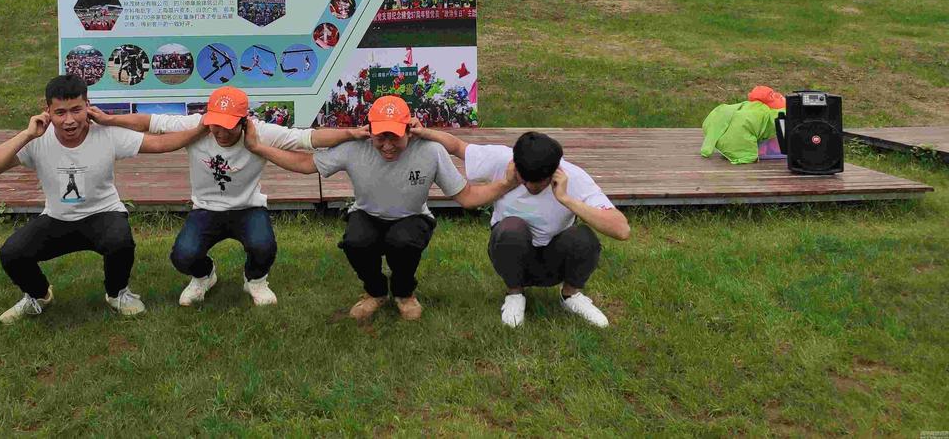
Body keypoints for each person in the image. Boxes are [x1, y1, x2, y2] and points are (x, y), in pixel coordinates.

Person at [244, 95, 518, 323]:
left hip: (412, 217)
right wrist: (258, 148)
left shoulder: (431, 150)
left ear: (409, 130)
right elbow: (305, 165)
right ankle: (375, 292)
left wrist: (506, 184)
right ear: (370, 131)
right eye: (380, 138)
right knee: (356, 241)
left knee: (403, 241)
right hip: (368, 213)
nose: (387, 146)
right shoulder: (354, 147)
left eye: (395, 138)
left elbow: (467, 197)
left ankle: (404, 293)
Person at [90, 87, 367, 308]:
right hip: (206, 209)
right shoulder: (196, 125)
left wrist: (351, 133)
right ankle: (204, 276)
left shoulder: (261, 133)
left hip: (248, 207)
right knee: (182, 256)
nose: (221, 133)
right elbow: (149, 122)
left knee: (263, 246)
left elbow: (309, 139)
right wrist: (109, 119)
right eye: (216, 125)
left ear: (244, 121)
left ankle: (255, 280)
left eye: (229, 126)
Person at [0, 74, 206, 325]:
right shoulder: (37, 139)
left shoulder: (107, 134)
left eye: (76, 110)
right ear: (47, 112)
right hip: (57, 218)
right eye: (60, 112)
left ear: (88, 105)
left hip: (103, 214)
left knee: (120, 242)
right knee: (12, 253)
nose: (69, 120)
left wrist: (202, 129)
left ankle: (117, 294)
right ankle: (39, 295)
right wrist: (26, 135)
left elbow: (160, 144)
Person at [415, 125, 630, 329]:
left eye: (538, 183)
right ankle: (515, 294)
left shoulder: (575, 177)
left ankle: (570, 295)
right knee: (511, 228)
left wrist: (566, 199)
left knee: (583, 237)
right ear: (515, 165)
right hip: (511, 253)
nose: (530, 187)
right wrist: (423, 132)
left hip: (555, 257)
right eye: (525, 180)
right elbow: (458, 147)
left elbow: (622, 230)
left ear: (555, 172)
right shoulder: (502, 160)